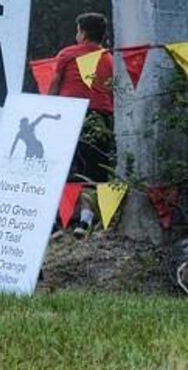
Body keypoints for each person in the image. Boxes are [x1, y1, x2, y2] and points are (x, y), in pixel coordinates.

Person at [48, 12, 114, 234]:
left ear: (83, 33)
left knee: (63, 167)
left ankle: (58, 220)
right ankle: (86, 219)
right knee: (95, 170)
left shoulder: (67, 54)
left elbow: (54, 84)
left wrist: (48, 110)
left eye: (78, 30)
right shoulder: (109, 58)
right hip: (102, 116)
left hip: (70, 114)